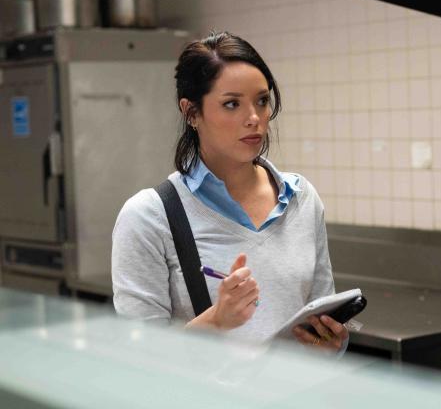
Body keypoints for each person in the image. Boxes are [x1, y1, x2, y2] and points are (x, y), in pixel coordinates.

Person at [111, 31, 348, 353]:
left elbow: (321, 316)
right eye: (232, 104)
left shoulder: (301, 198)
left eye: (262, 101)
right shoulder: (150, 216)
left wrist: (329, 344)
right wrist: (217, 321)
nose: (254, 119)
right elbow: (137, 355)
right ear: (192, 112)